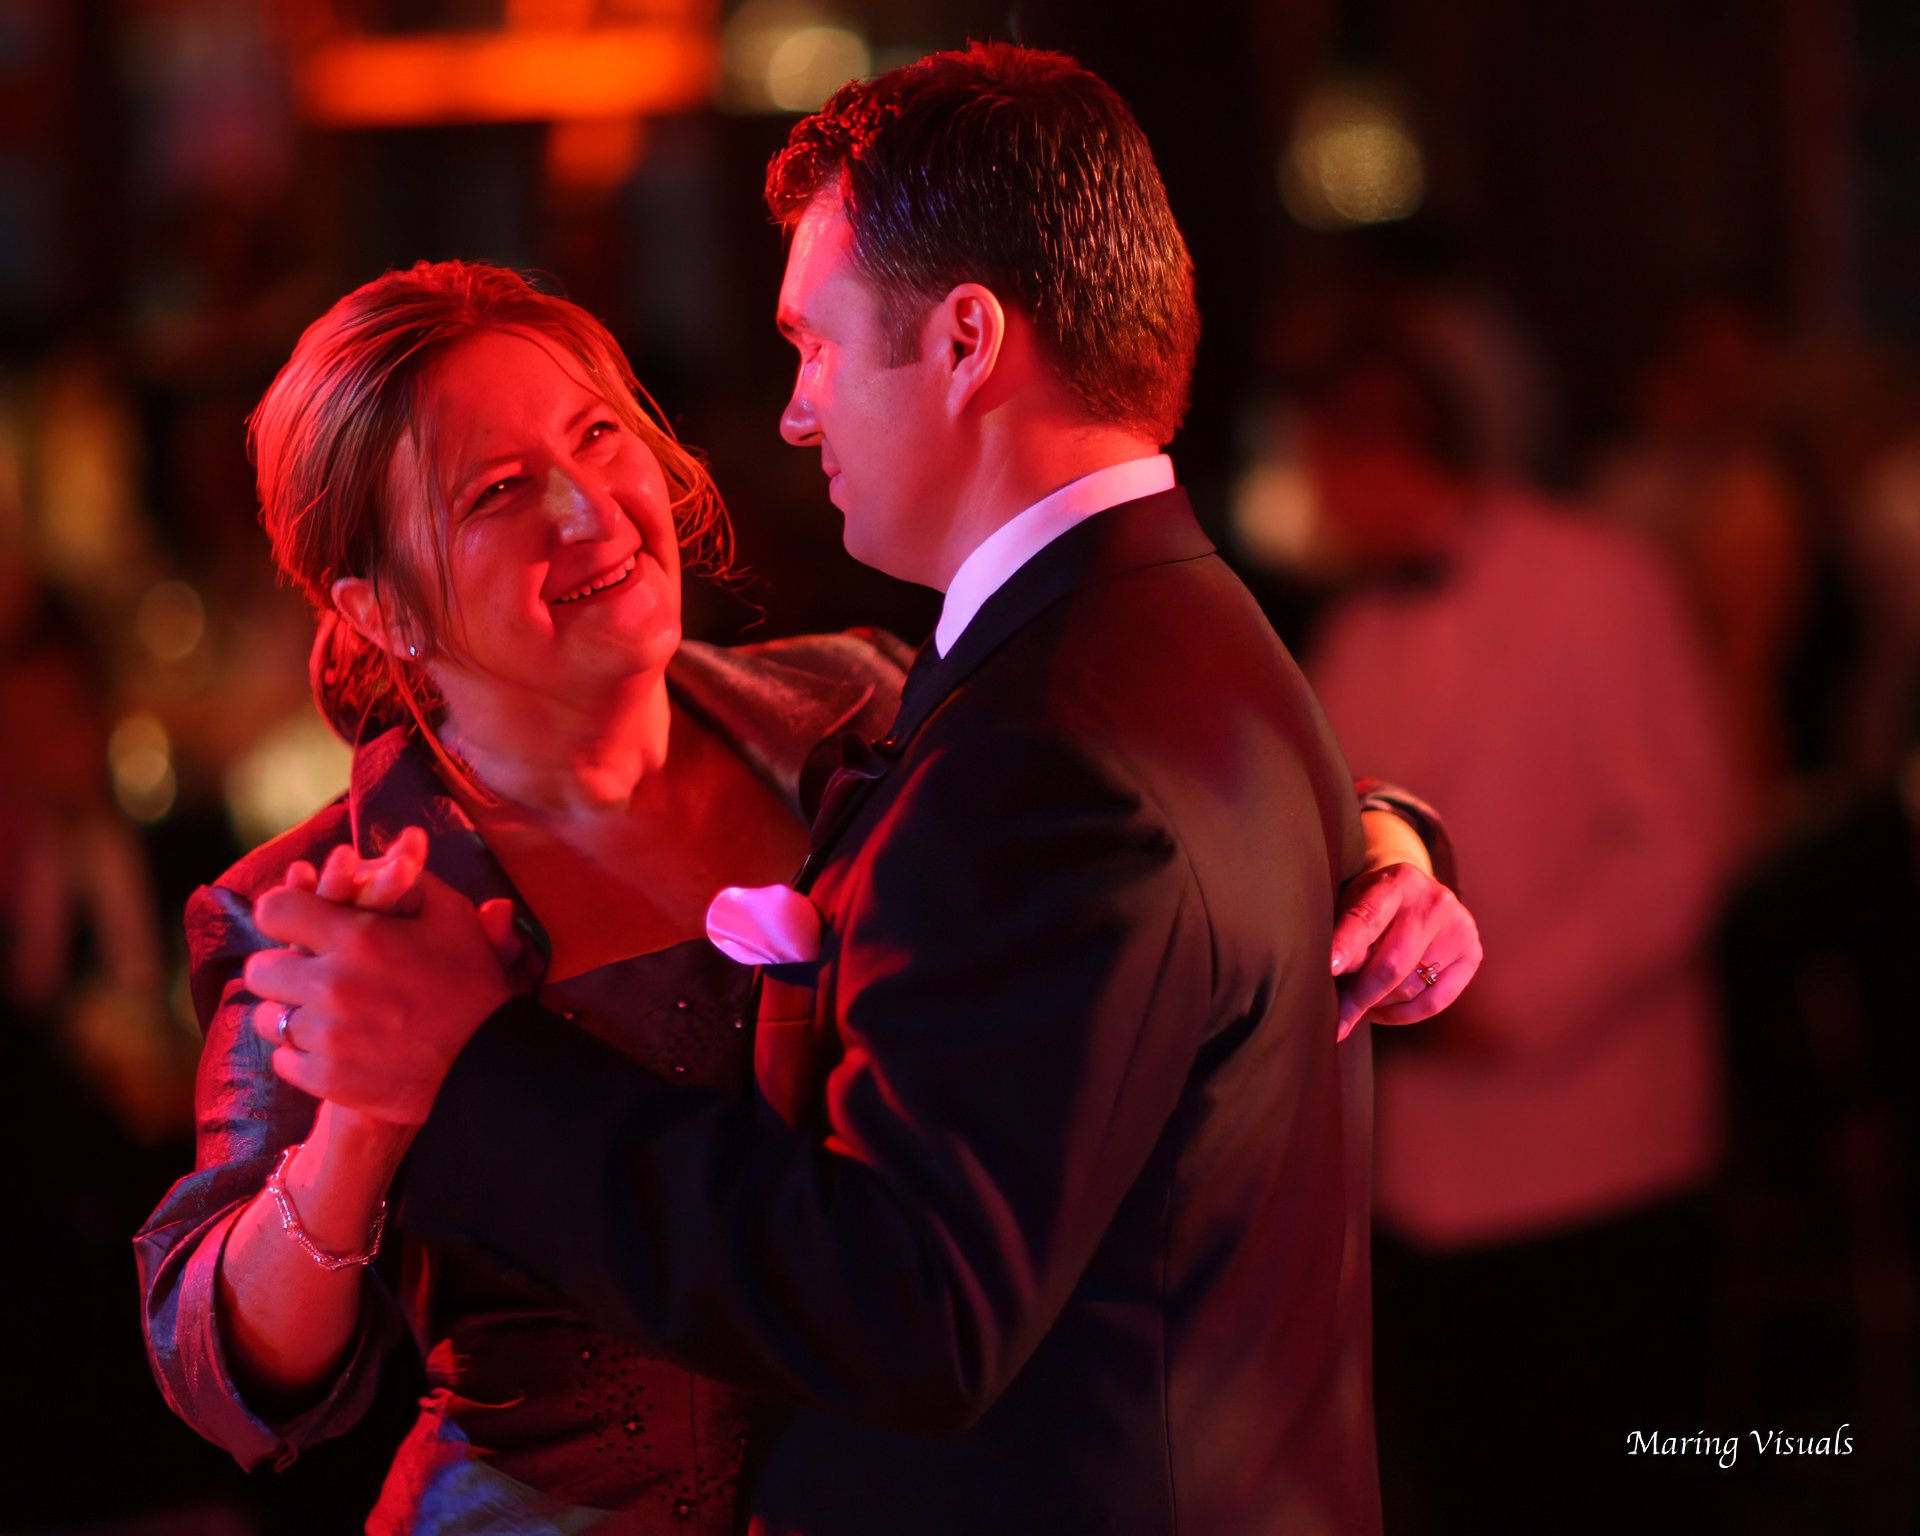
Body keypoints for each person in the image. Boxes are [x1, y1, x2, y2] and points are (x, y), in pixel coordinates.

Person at [241, 46, 1477, 1534]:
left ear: (964, 342)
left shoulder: (920, 715)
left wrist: (1371, 844)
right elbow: (231, 1361)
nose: (792, 413)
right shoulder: (1161, 630)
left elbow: (913, 1300)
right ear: (375, 606)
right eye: (495, 493)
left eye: (813, 346)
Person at [1291, 314, 1734, 1532]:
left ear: (1377, 446)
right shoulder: (1347, 631)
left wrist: (1509, 1001)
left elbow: (1683, 844)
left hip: (1597, 1151)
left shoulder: (1601, 582)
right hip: (1419, 1175)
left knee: (1625, 1485)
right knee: (1466, 1482)